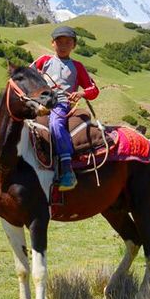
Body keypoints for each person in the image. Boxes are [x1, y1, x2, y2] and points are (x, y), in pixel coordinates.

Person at [32, 26, 100, 191]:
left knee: (55, 123)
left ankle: (67, 169)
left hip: (60, 103)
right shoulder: (43, 60)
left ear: (73, 45)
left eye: (67, 42)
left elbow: (94, 90)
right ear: (52, 43)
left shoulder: (77, 66)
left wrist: (81, 94)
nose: (62, 45)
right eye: (59, 42)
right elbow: (27, 76)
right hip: (40, 100)